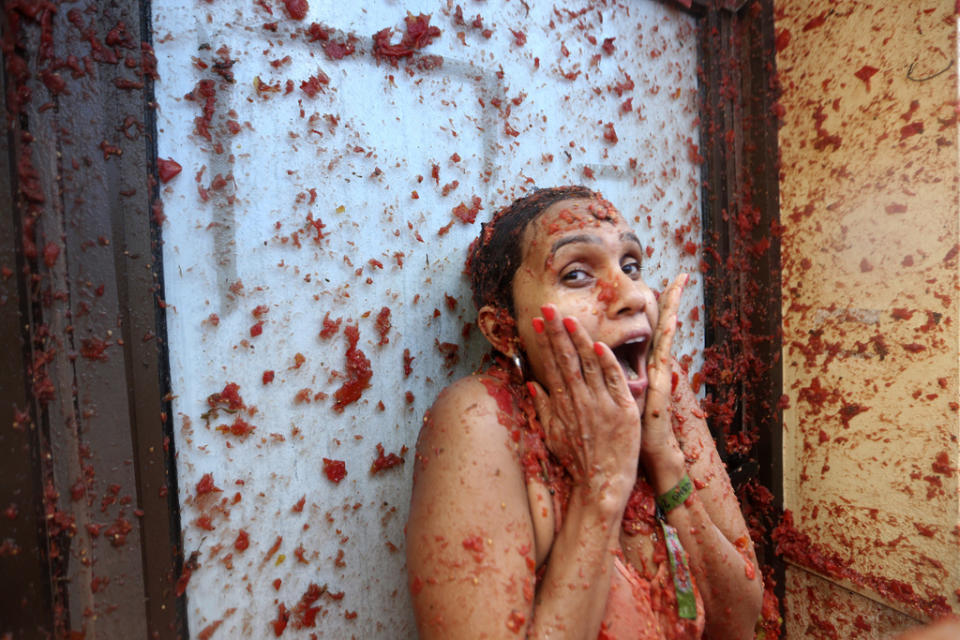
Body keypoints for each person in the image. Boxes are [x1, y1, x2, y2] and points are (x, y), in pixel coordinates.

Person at [406, 186, 763, 639]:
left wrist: (664, 455)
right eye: (577, 274)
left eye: (631, 265)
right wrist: (602, 487)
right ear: (504, 331)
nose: (632, 294)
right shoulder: (484, 421)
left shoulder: (662, 392)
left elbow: (741, 623)